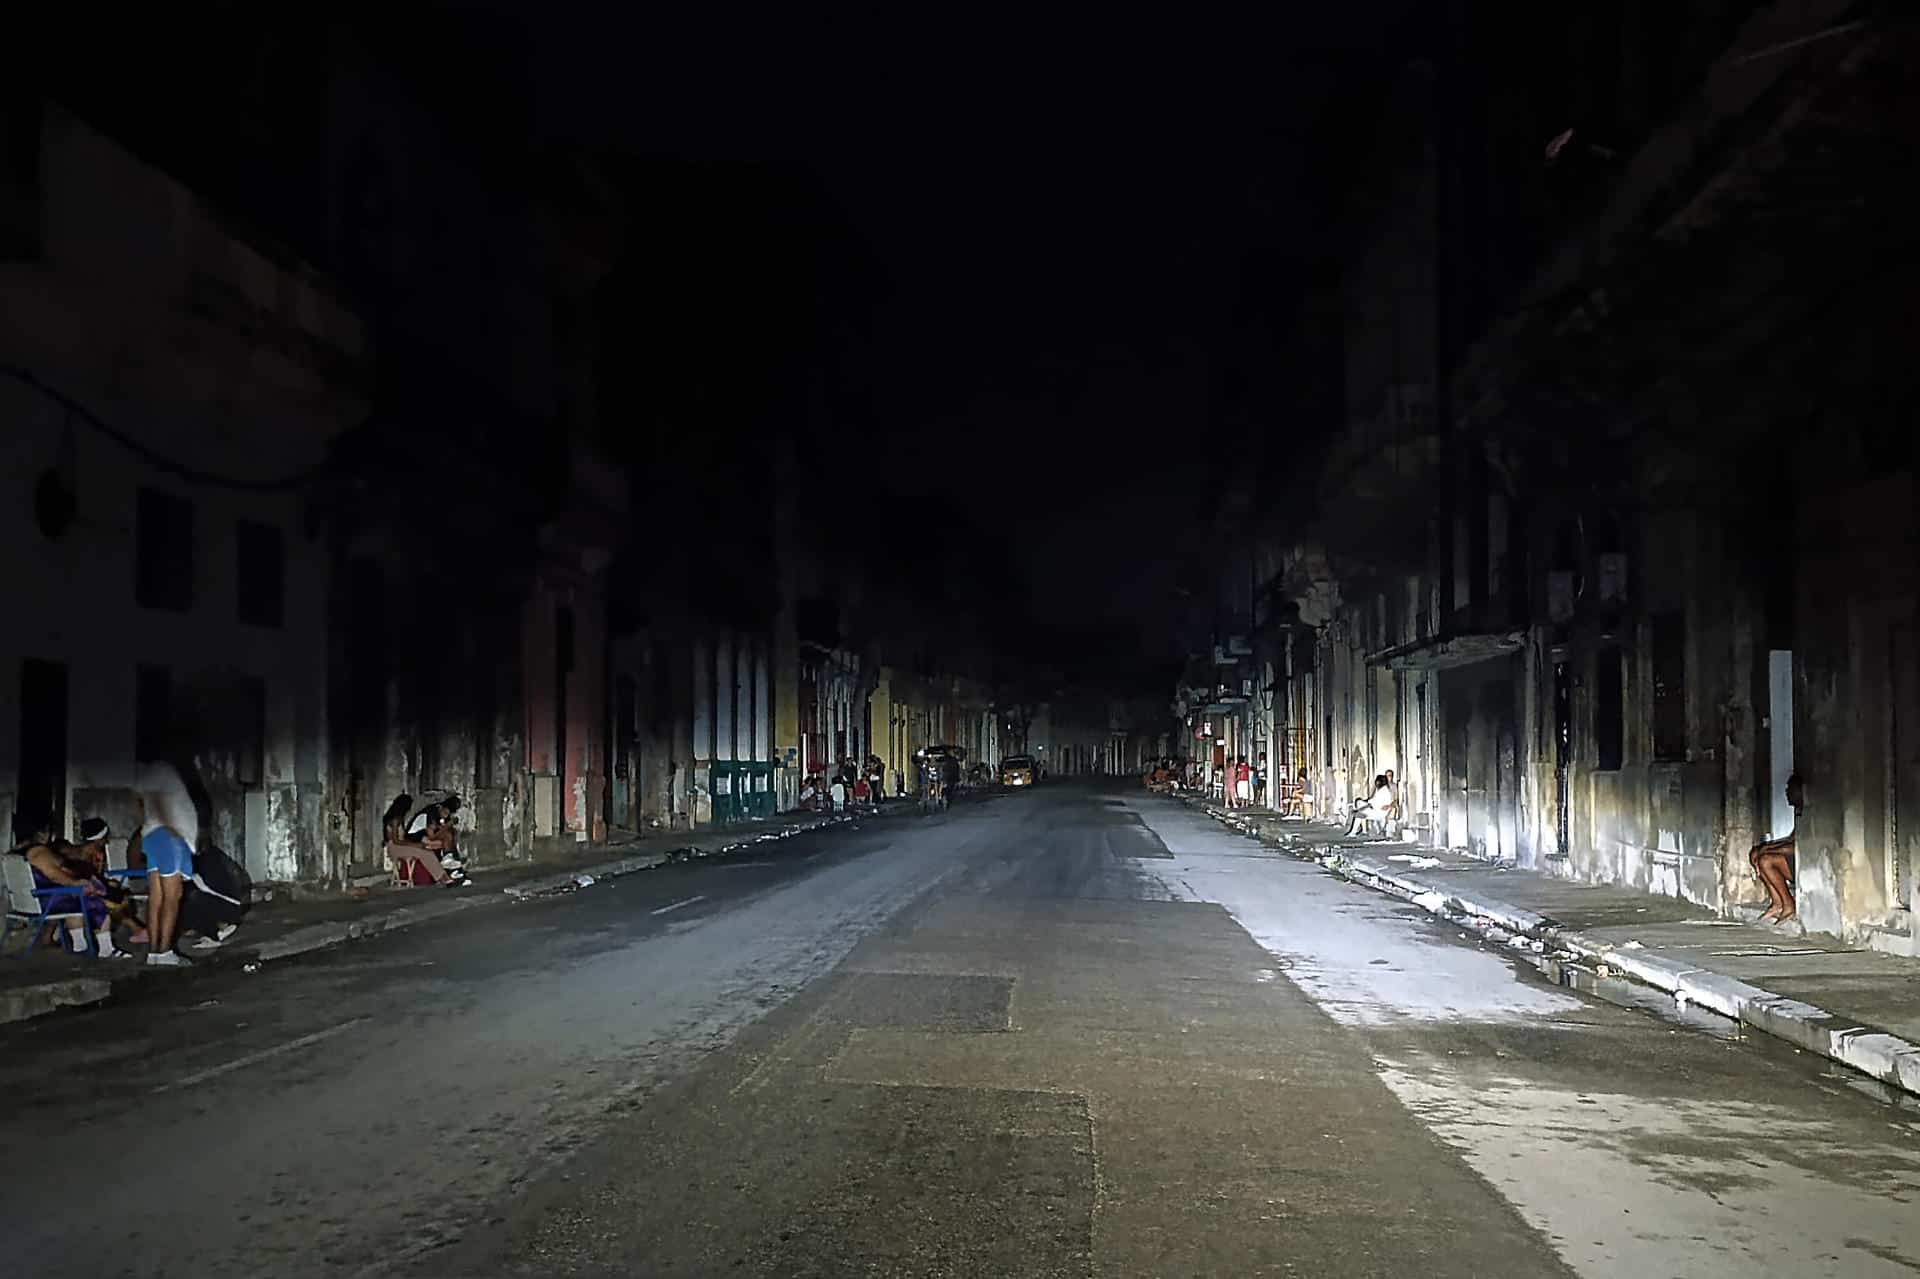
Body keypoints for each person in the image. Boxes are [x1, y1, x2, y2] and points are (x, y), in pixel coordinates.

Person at [13, 817, 132, 958]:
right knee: (96, 903)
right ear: (41, 833)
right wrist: (75, 883)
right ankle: (106, 949)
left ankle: (79, 945)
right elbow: (54, 876)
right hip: (45, 899)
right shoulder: (39, 852)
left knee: (76, 903)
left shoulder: (18, 851)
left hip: (37, 898)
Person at [136, 762, 200, 966]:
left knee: (157, 897)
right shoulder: (164, 769)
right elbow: (157, 799)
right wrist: (171, 827)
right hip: (170, 837)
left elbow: (138, 800)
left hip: (151, 835)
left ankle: (154, 952)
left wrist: (148, 824)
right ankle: (164, 952)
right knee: (173, 897)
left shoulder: (145, 773)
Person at [1749, 773, 1804, 922]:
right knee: (1756, 854)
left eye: (1790, 789)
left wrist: (1767, 850)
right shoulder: (1799, 813)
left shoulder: (1810, 812)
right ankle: (1777, 902)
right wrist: (1763, 848)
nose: (1787, 793)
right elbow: (1791, 840)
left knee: (1766, 860)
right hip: (1796, 863)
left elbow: (1797, 846)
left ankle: (1788, 904)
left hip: (1805, 866)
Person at [383, 793, 450, 886]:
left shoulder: (398, 818)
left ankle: (442, 876)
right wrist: (415, 845)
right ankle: (442, 877)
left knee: (427, 851)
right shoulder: (395, 820)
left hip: (399, 846)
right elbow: (396, 841)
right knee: (425, 853)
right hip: (395, 847)